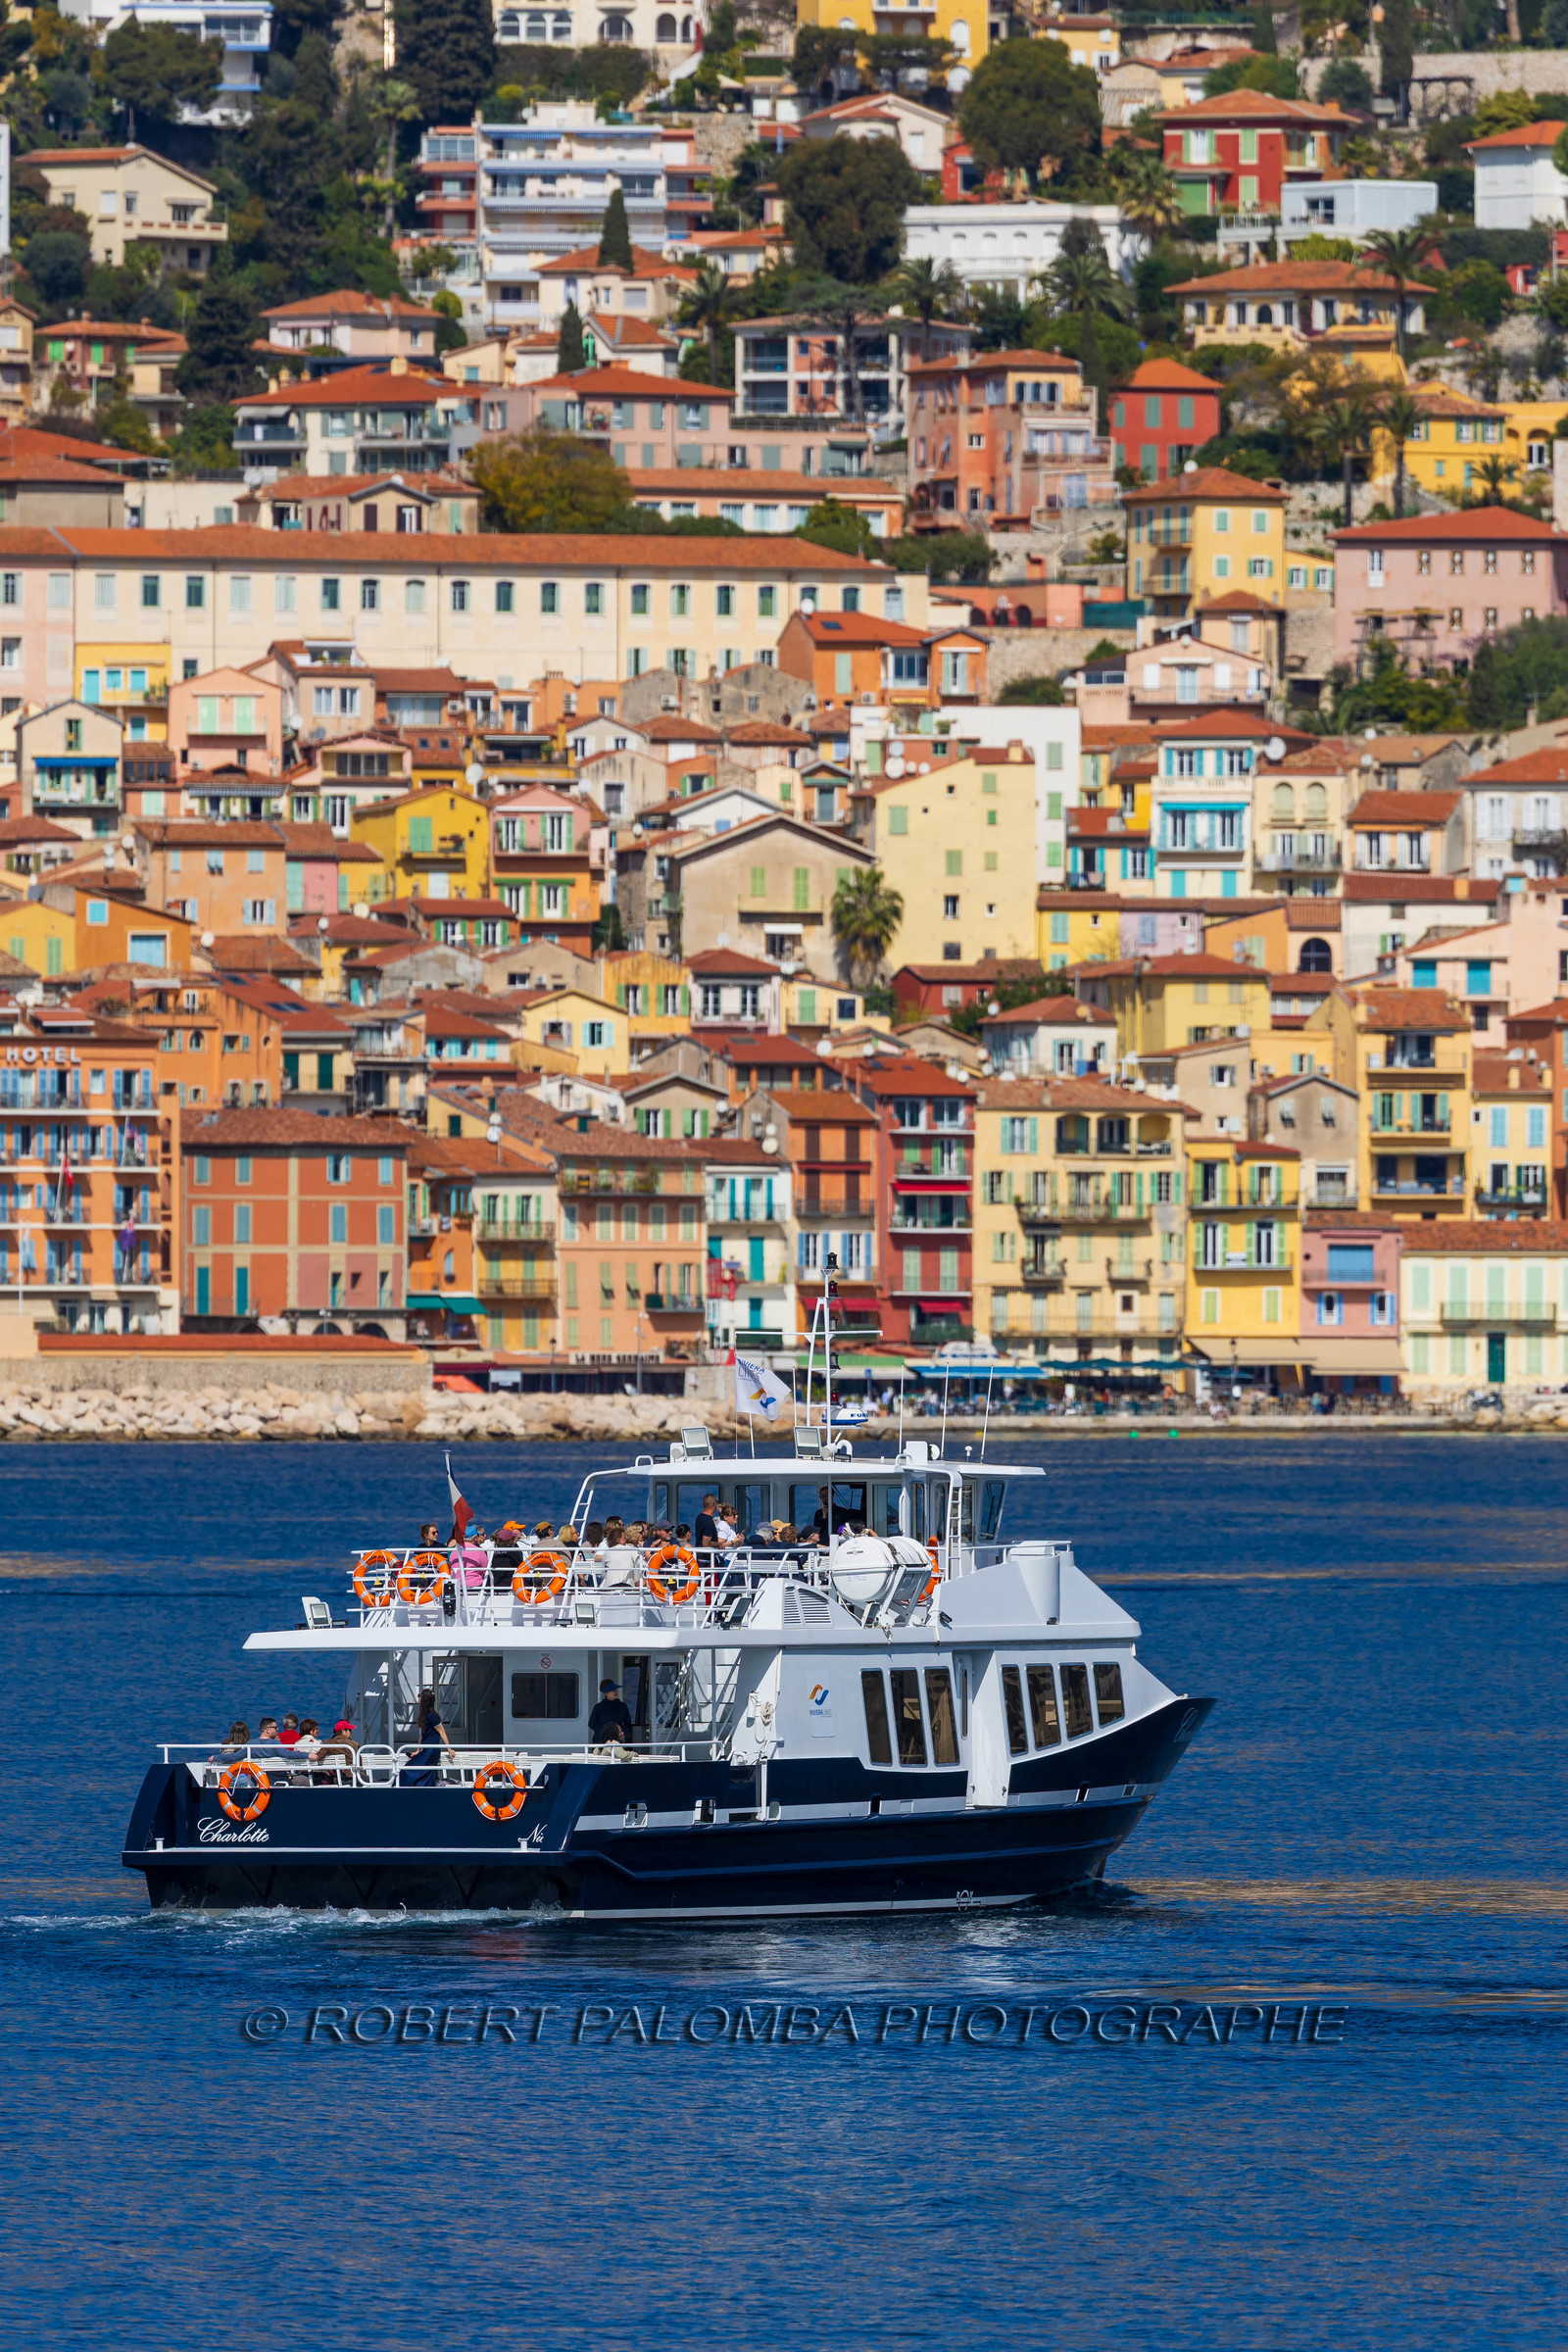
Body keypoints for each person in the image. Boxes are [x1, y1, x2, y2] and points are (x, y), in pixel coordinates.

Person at [401, 1688, 453, 1787]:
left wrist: (449, 1749)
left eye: (420, 1696)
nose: (418, 1697)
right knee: (416, 1771)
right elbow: (422, 1734)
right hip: (426, 1750)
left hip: (431, 1751)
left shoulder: (432, 1716)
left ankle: (407, 1788)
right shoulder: (424, 1715)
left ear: (424, 1699)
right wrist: (418, 1750)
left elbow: (442, 1731)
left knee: (407, 1770)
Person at [588, 1678, 634, 1746]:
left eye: (615, 1689)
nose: (615, 1692)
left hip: (617, 1741)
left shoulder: (622, 1706)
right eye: (612, 1690)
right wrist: (603, 1732)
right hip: (600, 1741)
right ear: (606, 1693)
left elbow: (628, 1724)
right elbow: (591, 1723)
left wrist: (619, 1732)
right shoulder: (598, 1707)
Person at [313, 1718, 358, 1784]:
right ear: (343, 1731)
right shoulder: (354, 1744)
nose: (351, 1732)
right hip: (355, 1777)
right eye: (349, 1730)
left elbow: (318, 1757)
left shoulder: (329, 1743)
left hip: (338, 1778)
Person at [694, 1493, 719, 1557]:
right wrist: (719, 1544)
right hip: (706, 1560)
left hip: (699, 1555)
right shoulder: (708, 1521)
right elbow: (706, 1543)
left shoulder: (699, 1517)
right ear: (715, 1504)